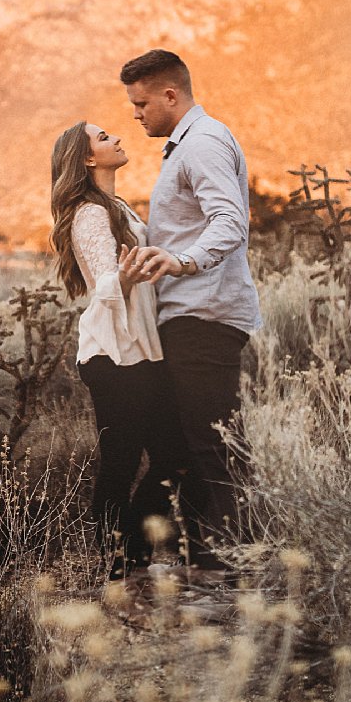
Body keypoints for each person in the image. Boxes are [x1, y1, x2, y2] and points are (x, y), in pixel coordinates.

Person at [119, 49, 261, 571]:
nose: (136, 115)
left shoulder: (201, 143)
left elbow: (230, 221)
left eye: (141, 103)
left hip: (203, 316)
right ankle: (193, 555)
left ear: (170, 95)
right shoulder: (186, 146)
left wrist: (181, 261)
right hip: (188, 316)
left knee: (213, 447)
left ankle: (225, 562)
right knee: (188, 444)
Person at [47, 119, 191, 578]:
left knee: (173, 456)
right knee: (122, 463)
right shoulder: (91, 212)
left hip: (140, 351)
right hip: (113, 356)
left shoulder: (118, 206)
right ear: (88, 158)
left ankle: (132, 550)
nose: (116, 138)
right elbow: (105, 279)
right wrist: (125, 278)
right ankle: (120, 562)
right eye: (103, 137)